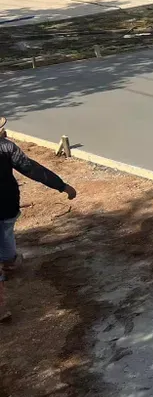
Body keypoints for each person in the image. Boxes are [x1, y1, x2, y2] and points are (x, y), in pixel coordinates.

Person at [0, 118, 77, 322]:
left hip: (7, 207)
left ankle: (8, 263)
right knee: (6, 233)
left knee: (6, 232)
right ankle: (8, 263)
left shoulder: (6, 146)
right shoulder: (6, 148)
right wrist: (61, 185)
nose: (4, 131)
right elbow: (31, 169)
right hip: (7, 204)